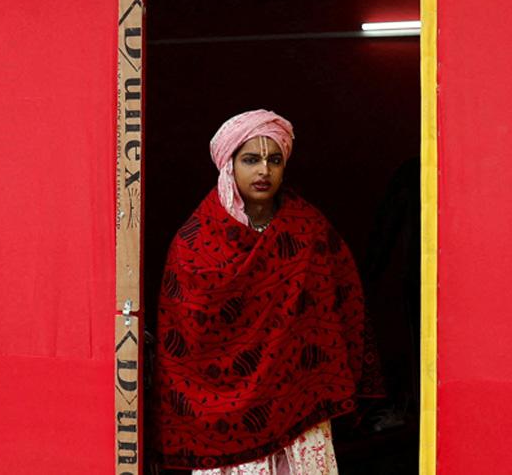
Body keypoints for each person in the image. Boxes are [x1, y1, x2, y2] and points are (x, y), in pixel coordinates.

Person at [154, 109, 381, 475]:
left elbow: (342, 306)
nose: (264, 171)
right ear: (229, 164)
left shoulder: (308, 231)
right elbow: (182, 340)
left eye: (274, 160)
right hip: (223, 425)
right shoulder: (193, 243)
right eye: (251, 159)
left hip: (299, 409)